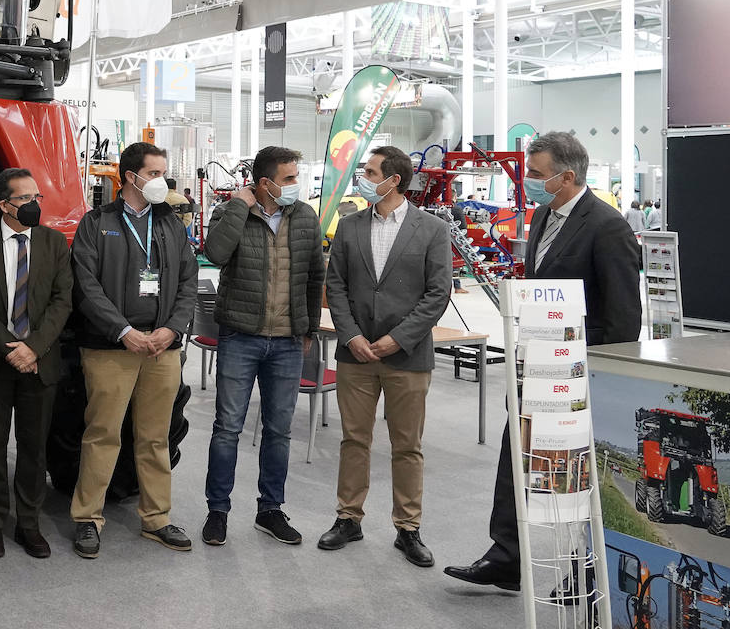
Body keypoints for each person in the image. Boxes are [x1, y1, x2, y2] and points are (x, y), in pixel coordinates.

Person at [444, 131, 641, 591]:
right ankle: (506, 558)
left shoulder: (607, 226)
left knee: (582, 474)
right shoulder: (542, 216)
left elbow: (622, 317)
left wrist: (599, 378)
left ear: (567, 176)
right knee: (516, 455)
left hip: (579, 375)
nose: (527, 180)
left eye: (535, 173)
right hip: (535, 363)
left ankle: (586, 571)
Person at [317, 146, 452, 569]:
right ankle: (348, 517)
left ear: (393, 179)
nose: (363, 176)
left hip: (406, 356)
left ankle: (408, 528)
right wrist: (351, 334)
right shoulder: (350, 227)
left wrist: (398, 338)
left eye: (370, 171)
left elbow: (438, 293)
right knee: (354, 440)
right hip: (356, 354)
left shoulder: (431, 229)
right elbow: (334, 286)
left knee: (406, 445)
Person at [69, 141, 199, 558]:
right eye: (155, 173)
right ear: (131, 177)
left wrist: (172, 329)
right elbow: (86, 286)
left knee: (155, 437)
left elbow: (187, 282)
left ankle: (156, 518)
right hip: (111, 348)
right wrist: (122, 330)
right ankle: (88, 519)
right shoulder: (96, 223)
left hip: (161, 348)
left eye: (164, 173)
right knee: (102, 434)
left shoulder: (170, 225)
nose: (163, 181)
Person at [200, 145, 324, 547]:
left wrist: (308, 328)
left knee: (279, 431)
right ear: (265, 182)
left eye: (295, 177)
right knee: (227, 428)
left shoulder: (304, 216)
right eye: (289, 179)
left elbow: (313, 276)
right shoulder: (232, 212)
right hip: (241, 336)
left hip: (287, 341)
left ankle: (270, 509)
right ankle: (217, 510)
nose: (296, 185)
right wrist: (239, 205)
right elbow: (215, 253)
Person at [0, 168, 73, 559]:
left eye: (35, 196)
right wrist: (11, 347)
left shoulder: (55, 243)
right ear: (4, 205)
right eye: (24, 199)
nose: (33, 205)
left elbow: (62, 302)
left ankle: (28, 524)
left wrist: (33, 348)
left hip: (39, 363)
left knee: (33, 448)